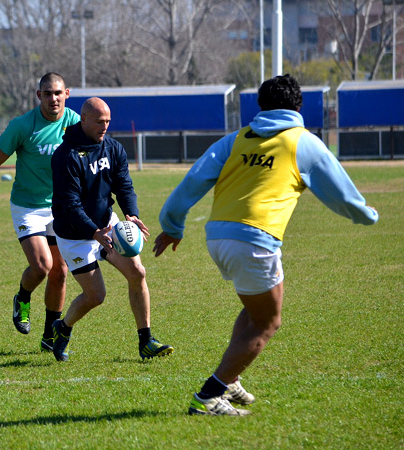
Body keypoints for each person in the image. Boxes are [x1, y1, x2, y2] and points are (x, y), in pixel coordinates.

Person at [153, 74, 379, 416]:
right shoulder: (302, 142)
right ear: (299, 107)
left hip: (218, 237)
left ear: (260, 105)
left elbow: (192, 182)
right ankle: (209, 396)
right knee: (268, 323)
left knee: (254, 310)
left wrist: (172, 226)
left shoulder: (236, 139)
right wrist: (367, 216)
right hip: (255, 241)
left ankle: (231, 379)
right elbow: (343, 196)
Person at [50, 97, 174, 362]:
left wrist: (131, 214)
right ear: (83, 119)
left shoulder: (113, 148)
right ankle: (62, 327)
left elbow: (124, 186)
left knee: (137, 272)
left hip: (107, 223)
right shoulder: (66, 156)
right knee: (96, 296)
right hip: (75, 235)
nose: (104, 126)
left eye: (107, 121)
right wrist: (94, 232)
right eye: (99, 121)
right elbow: (70, 205)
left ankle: (146, 341)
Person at [0, 73, 80, 351]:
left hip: (61, 207)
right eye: (47, 93)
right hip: (28, 206)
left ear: (67, 93)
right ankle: (23, 296)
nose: (53, 98)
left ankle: (50, 335)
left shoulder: (76, 124)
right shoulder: (22, 125)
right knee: (42, 266)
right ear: (38, 95)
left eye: (57, 93)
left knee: (61, 272)